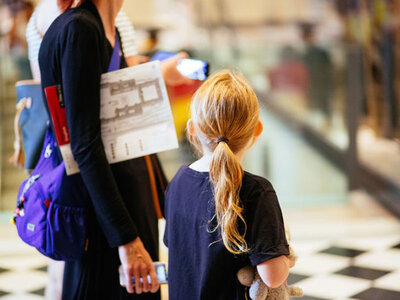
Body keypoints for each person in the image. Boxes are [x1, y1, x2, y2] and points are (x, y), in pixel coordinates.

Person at [39, 0, 180, 299]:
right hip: (104, 221)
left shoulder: (107, 29)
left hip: (125, 206)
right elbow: (85, 145)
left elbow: (123, 127)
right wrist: (126, 240)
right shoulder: (80, 30)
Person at [163, 70, 295, 299]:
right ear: (257, 130)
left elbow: (175, 248)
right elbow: (272, 276)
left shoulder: (177, 183)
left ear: (193, 128)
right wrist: (285, 253)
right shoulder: (256, 191)